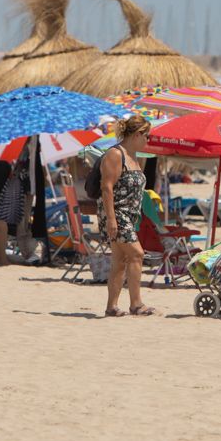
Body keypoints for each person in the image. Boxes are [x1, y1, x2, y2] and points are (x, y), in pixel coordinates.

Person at [98, 115, 156, 317]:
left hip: (129, 216)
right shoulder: (116, 154)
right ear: (138, 134)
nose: (148, 141)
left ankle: (111, 307)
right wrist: (112, 219)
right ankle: (136, 304)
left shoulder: (134, 156)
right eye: (146, 136)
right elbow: (106, 187)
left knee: (120, 259)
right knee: (137, 254)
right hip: (116, 213)